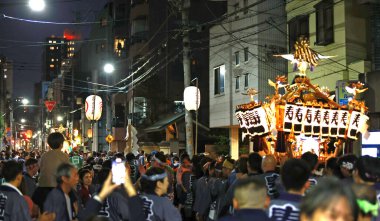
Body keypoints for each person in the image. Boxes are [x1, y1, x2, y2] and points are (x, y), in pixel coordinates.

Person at [33, 132, 69, 210]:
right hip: (57, 188)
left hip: (42, 188)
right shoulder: (64, 156)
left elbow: (39, 168)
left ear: (49, 144)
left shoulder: (44, 155)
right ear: (61, 144)